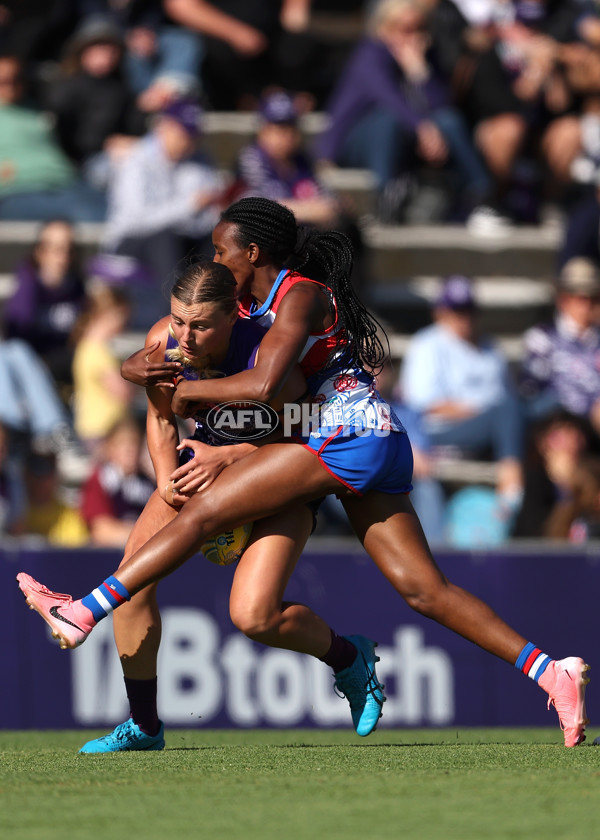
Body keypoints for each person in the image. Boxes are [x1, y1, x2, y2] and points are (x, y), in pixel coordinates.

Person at [18, 197, 590, 748]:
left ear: (254, 253)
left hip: (340, 436)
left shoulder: (298, 297)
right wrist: (140, 374)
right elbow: (220, 388)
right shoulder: (238, 310)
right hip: (364, 434)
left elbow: (269, 389)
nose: (215, 261)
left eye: (223, 252)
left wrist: (189, 402)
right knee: (423, 591)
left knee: (204, 514)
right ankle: (550, 671)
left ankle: (81, 611)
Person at [75, 258, 384, 752]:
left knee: (254, 616)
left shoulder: (267, 353)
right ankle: (144, 726)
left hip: (277, 481)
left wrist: (230, 454)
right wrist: (166, 482)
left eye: (200, 325)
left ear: (232, 317)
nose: (186, 337)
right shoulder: (166, 346)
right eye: (179, 320)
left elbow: (307, 431)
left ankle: (350, 659)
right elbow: (160, 422)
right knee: (132, 585)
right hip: (199, 473)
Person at [315, 0, 494, 224]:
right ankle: (385, 198)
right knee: (387, 119)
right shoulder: (370, 54)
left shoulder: (426, 56)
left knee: (449, 121)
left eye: (418, 29)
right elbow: (389, 98)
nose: (411, 36)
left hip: (410, 140)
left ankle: (481, 195)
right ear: (384, 27)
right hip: (357, 142)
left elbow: (441, 107)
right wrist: (422, 127)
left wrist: (419, 73)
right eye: (402, 28)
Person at [400, 274, 525, 513]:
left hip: (487, 427)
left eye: (468, 309)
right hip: (439, 432)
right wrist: (477, 411)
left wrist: (486, 414)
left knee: (525, 409)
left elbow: (505, 395)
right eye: (456, 310)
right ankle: (512, 484)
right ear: (440, 312)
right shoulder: (426, 344)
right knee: (506, 411)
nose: (464, 317)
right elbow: (421, 403)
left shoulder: (490, 348)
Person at [101, 95, 224, 329]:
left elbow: (208, 213)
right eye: (182, 133)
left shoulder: (200, 160)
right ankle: (176, 319)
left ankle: (218, 312)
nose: (187, 141)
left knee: (218, 239)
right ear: (163, 126)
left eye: (192, 135)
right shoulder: (135, 160)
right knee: (165, 238)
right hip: (131, 240)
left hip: (181, 236)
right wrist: (189, 206)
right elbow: (136, 220)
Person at [0, 54, 107, 222]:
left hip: (68, 182)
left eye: (16, 78)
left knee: (114, 208)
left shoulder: (35, 110)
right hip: (20, 188)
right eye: (3, 79)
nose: (10, 85)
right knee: (91, 216)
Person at [519, 257, 600, 436]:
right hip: (558, 424)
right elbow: (530, 392)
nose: (591, 306)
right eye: (583, 298)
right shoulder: (543, 338)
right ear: (564, 300)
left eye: (595, 298)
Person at [5, 219, 87, 390]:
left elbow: (82, 333)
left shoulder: (77, 287)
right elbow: (17, 333)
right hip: (31, 362)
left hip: (66, 361)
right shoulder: (28, 283)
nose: (64, 257)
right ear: (40, 252)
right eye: (57, 249)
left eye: (70, 250)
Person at [71, 283, 135, 455]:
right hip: (103, 430)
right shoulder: (98, 351)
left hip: (95, 429)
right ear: (109, 315)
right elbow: (122, 392)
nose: (124, 325)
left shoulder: (86, 347)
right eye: (122, 317)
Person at [79, 415, 155, 547]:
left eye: (134, 444)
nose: (129, 450)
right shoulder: (101, 480)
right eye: (122, 444)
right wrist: (144, 534)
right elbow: (101, 531)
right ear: (110, 448)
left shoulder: (149, 484)